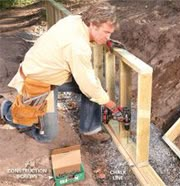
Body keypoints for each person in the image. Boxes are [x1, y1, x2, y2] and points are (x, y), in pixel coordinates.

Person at [0, 2, 122, 143]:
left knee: (96, 88)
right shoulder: (78, 47)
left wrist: (105, 40)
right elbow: (88, 86)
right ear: (93, 24)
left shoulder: (75, 20)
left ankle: (89, 130)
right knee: (47, 136)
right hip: (37, 81)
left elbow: (90, 84)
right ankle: (5, 109)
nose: (108, 37)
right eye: (106, 33)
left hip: (53, 74)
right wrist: (112, 106)